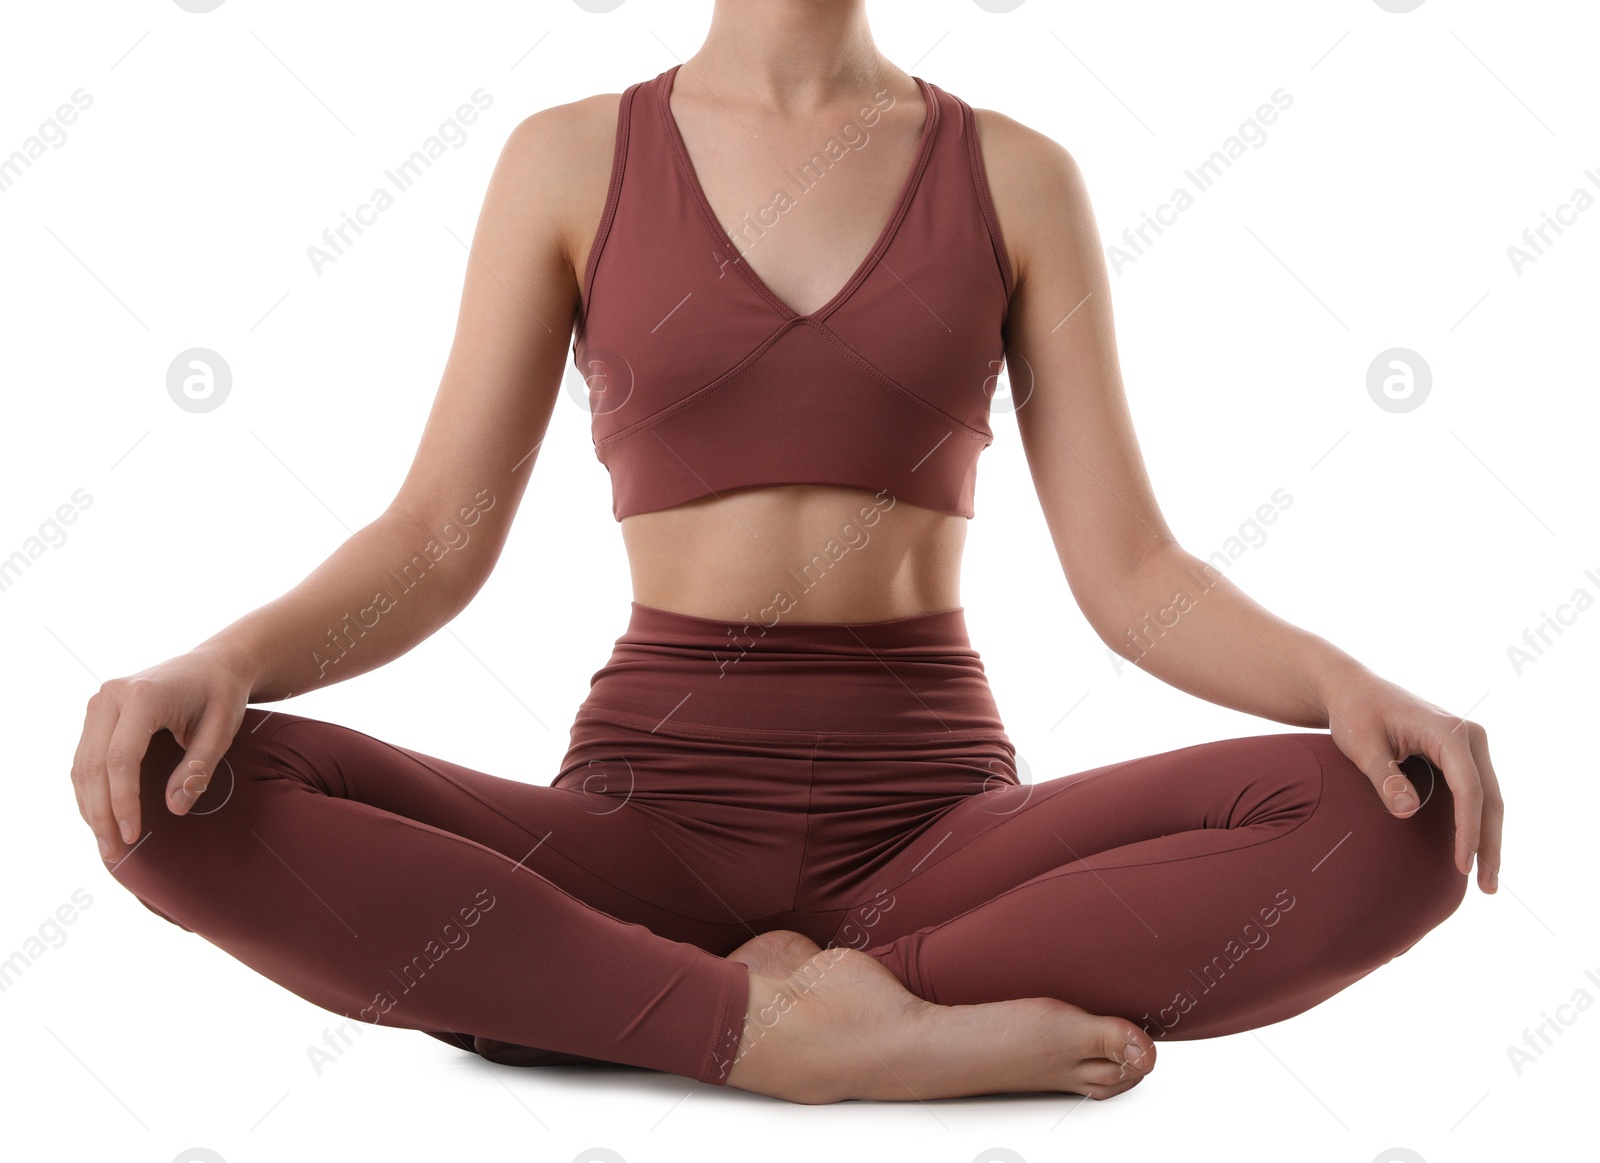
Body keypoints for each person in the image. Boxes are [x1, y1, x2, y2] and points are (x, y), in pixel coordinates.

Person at [73, 0, 1502, 1106]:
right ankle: (773, 1036)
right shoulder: (570, 159)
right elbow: (435, 540)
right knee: (174, 790)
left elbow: (1134, 576)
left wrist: (1340, 682)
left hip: (941, 837)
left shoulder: (1016, 174)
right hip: (642, 824)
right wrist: (225, 658)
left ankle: (702, 1000)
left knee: (1405, 815)